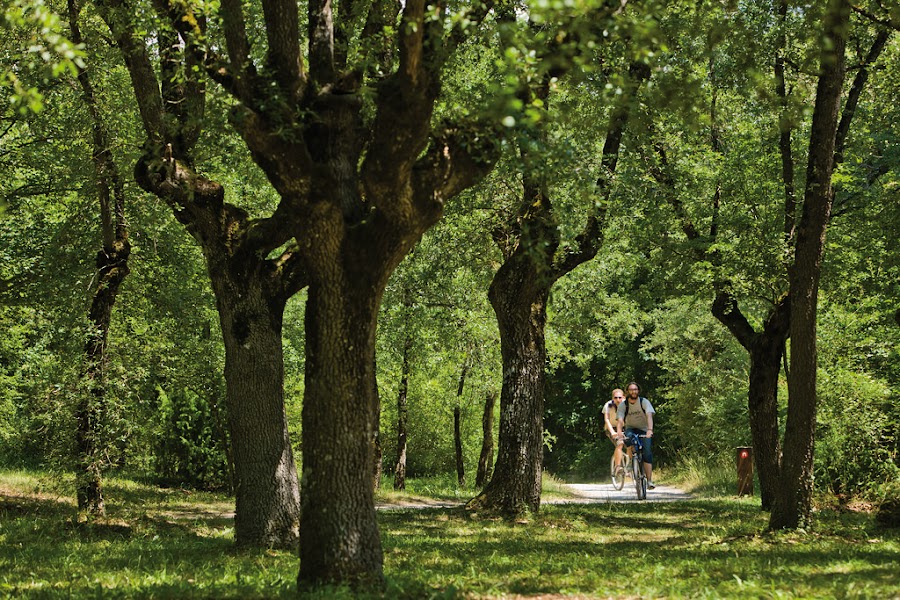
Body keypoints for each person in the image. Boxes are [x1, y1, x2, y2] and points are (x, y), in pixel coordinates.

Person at [616, 381, 656, 489]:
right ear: (628, 391)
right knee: (628, 439)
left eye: (635, 389)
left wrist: (650, 430)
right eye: (631, 389)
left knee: (647, 453)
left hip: (644, 429)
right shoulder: (623, 405)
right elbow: (620, 420)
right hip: (631, 429)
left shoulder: (644, 402)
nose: (634, 391)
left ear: (638, 390)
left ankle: (649, 481)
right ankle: (631, 461)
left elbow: (649, 416)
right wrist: (619, 432)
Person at [602, 388, 626, 474]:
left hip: (624, 427)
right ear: (613, 398)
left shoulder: (628, 405)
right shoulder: (608, 405)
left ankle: (631, 466)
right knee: (620, 443)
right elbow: (607, 420)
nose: (618, 400)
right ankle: (618, 467)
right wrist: (612, 432)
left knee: (632, 444)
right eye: (616, 398)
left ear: (623, 397)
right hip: (612, 427)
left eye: (620, 397)